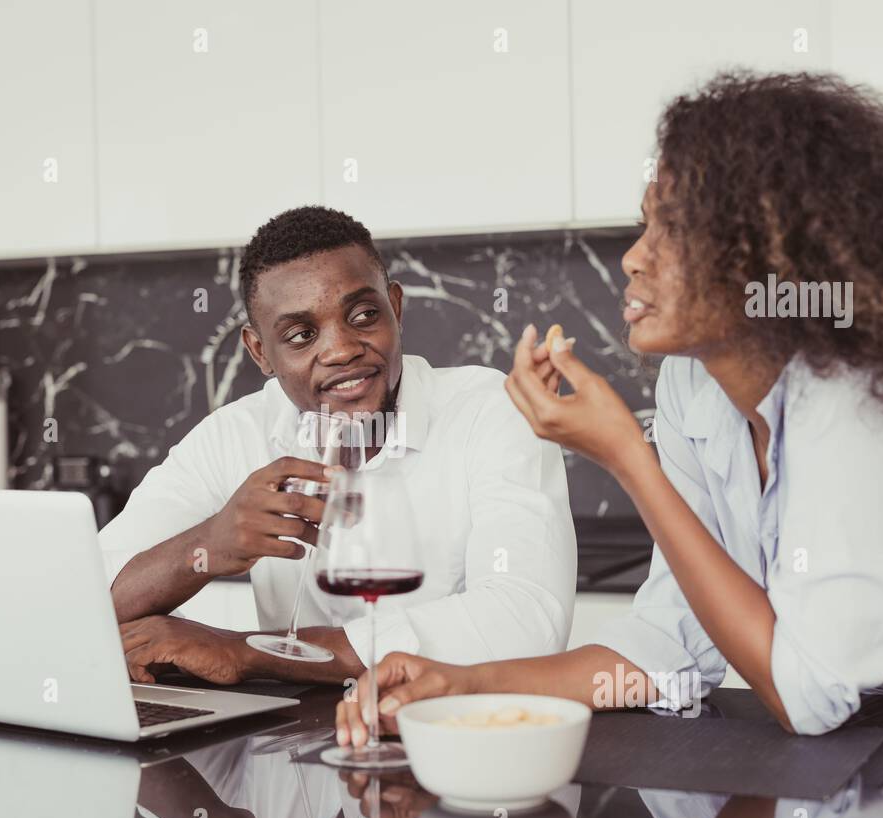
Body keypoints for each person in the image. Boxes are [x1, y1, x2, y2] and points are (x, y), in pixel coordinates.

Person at [337, 71, 883, 740]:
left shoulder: (859, 411)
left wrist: (630, 458)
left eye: (674, 232)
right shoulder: (693, 386)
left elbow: (808, 696)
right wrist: (460, 685)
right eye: (644, 226)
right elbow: (670, 647)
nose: (632, 259)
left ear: (777, 260)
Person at [100, 205, 576, 685]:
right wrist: (207, 545)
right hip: (291, 746)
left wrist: (246, 652)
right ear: (260, 351)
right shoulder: (236, 435)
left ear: (396, 307)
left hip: (454, 739)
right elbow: (87, 597)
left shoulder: (490, 411)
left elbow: (526, 620)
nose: (342, 349)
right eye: (302, 335)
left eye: (364, 315)